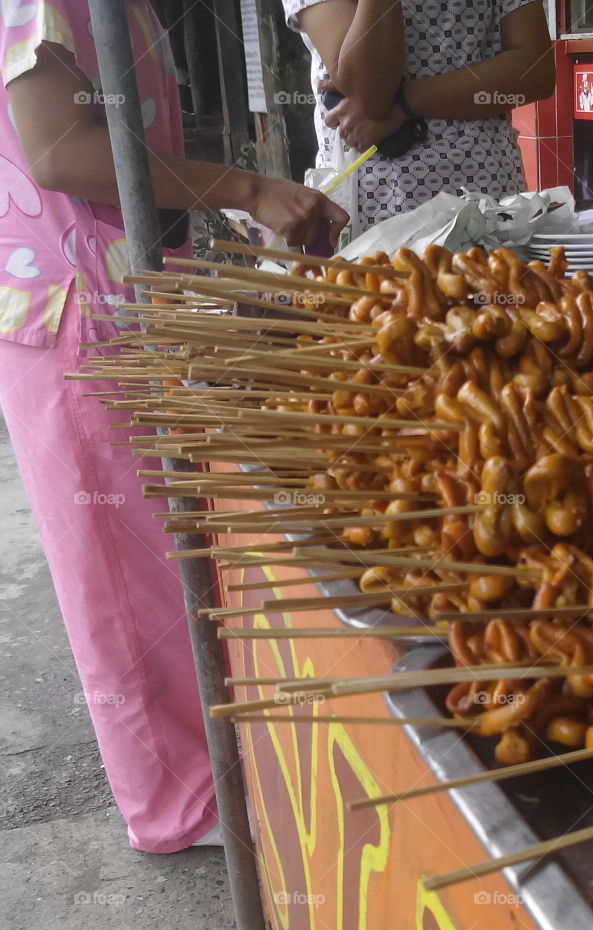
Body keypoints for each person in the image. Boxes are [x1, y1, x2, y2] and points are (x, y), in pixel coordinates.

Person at [0, 0, 347, 853]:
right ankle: (180, 806)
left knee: (169, 558)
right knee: (120, 574)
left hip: (142, 294)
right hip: (78, 305)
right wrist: (249, 187)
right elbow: (58, 151)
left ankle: (219, 775)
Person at [283, 0, 556, 234]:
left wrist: (405, 103)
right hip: (382, 215)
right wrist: (391, 103)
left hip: (490, 202)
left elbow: (535, 71)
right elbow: (370, 92)